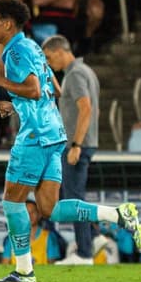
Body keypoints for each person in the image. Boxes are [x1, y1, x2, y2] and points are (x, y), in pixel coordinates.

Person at [0, 0, 141, 282]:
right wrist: (15, 104)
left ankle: (23, 271)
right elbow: (53, 88)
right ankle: (118, 214)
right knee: (50, 209)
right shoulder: (33, 46)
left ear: (8, 24)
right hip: (55, 134)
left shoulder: (15, 52)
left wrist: (0, 81)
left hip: (33, 137)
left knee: (12, 203)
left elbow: (34, 90)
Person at [42, 35, 101, 266]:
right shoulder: (84, 72)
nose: (48, 62)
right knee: (70, 195)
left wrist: (76, 144)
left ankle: (85, 253)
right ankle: (94, 238)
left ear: (59, 51)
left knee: (74, 198)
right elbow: (86, 107)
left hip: (76, 144)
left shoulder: (75, 75)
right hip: (83, 142)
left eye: (48, 57)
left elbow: (85, 108)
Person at [1, 200, 63, 266]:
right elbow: (5, 265)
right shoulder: (12, 238)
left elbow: (52, 265)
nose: (29, 216)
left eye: (32, 212)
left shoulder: (49, 236)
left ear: (39, 215)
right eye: (26, 213)